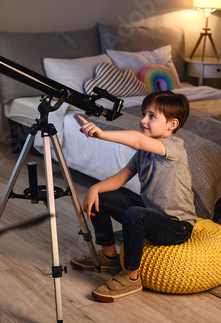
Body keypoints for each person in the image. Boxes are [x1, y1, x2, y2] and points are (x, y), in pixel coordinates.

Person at [71, 91, 197, 302]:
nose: (143, 120)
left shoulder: (174, 148)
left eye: (152, 116)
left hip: (176, 226)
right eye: (143, 114)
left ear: (172, 124)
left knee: (135, 215)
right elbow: (121, 178)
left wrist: (102, 134)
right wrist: (94, 189)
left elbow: (137, 140)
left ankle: (131, 277)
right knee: (101, 196)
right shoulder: (143, 152)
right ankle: (110, 256)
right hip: (152, 214)